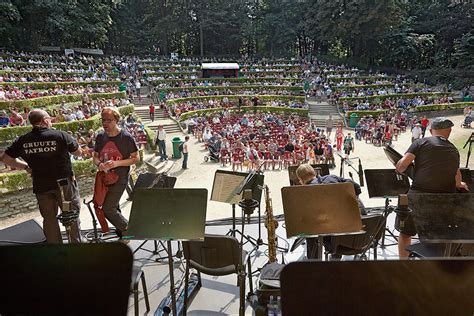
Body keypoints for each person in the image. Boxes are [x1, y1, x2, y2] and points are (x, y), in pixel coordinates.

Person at [2, 109, 83, 243]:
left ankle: (56, 251)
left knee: (49, 219)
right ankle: (75, 248)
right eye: (49, 119)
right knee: (70, 215)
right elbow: (78, 153)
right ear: (45, 121)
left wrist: (26, 167)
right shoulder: (60, 135)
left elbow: (6, 159)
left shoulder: (23, 140)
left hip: (41, 185)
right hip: (63, 186)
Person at [395, 117, 469, 258]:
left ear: (430, 130)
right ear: (449, 131)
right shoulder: (454, 150)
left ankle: (402, 264)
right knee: (437, 234)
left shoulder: (421, 142)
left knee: (406, 233)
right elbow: (457, 179)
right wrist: (460, 185)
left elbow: (402, 165)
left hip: (418, 196)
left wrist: (399, 167)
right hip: (443, 201)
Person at [93, 107, 139, 237]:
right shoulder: (100, 137)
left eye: (109, 120)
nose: (105, 123)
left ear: (116, 120)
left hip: (121, 177)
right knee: (114, 206)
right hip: (104, 178)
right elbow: (95, 156)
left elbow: (136, 158)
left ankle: (130, 230)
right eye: (103, 120)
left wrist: (117, 163)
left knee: (108, 208)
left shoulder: (126, 137)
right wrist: (99, 164)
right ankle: (122, 232)